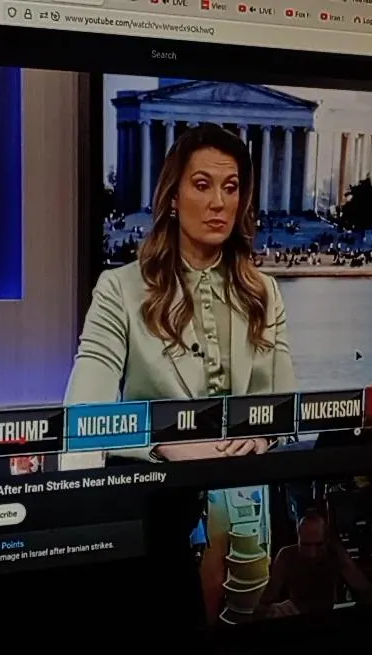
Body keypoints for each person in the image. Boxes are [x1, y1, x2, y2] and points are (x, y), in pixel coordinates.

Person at [65, 124, 297, 464]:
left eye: (230, 188)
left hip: (246, 481)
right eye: (202, 185)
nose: (218, 203)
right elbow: (83, 415)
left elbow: (288, 412)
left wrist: (263, 435)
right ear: (173, 197)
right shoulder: (120, 289)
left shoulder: (264, 292)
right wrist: (162, 442)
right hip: (160, 485)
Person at [255, 508, 372, 619]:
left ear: (326, 540)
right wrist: (273, 610)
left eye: (319, 545)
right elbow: (262, 605)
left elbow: (367, 592)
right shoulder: (286, 556)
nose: (312, 553)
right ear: (298, 537)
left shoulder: (335, 554)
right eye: (305, 545)